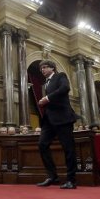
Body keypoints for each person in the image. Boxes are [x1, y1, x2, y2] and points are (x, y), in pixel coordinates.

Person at [36, 60, 77, 189]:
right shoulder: (45, 84)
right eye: (41, 68)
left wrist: (47, 98)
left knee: (68, 148)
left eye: (45, 67)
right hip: (49, 120)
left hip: (63, 118)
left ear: (52, 68)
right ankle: (52, 176)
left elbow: (65, 88)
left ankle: (71, 180)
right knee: (42, 144)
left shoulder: (61, 76)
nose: (42, 70)